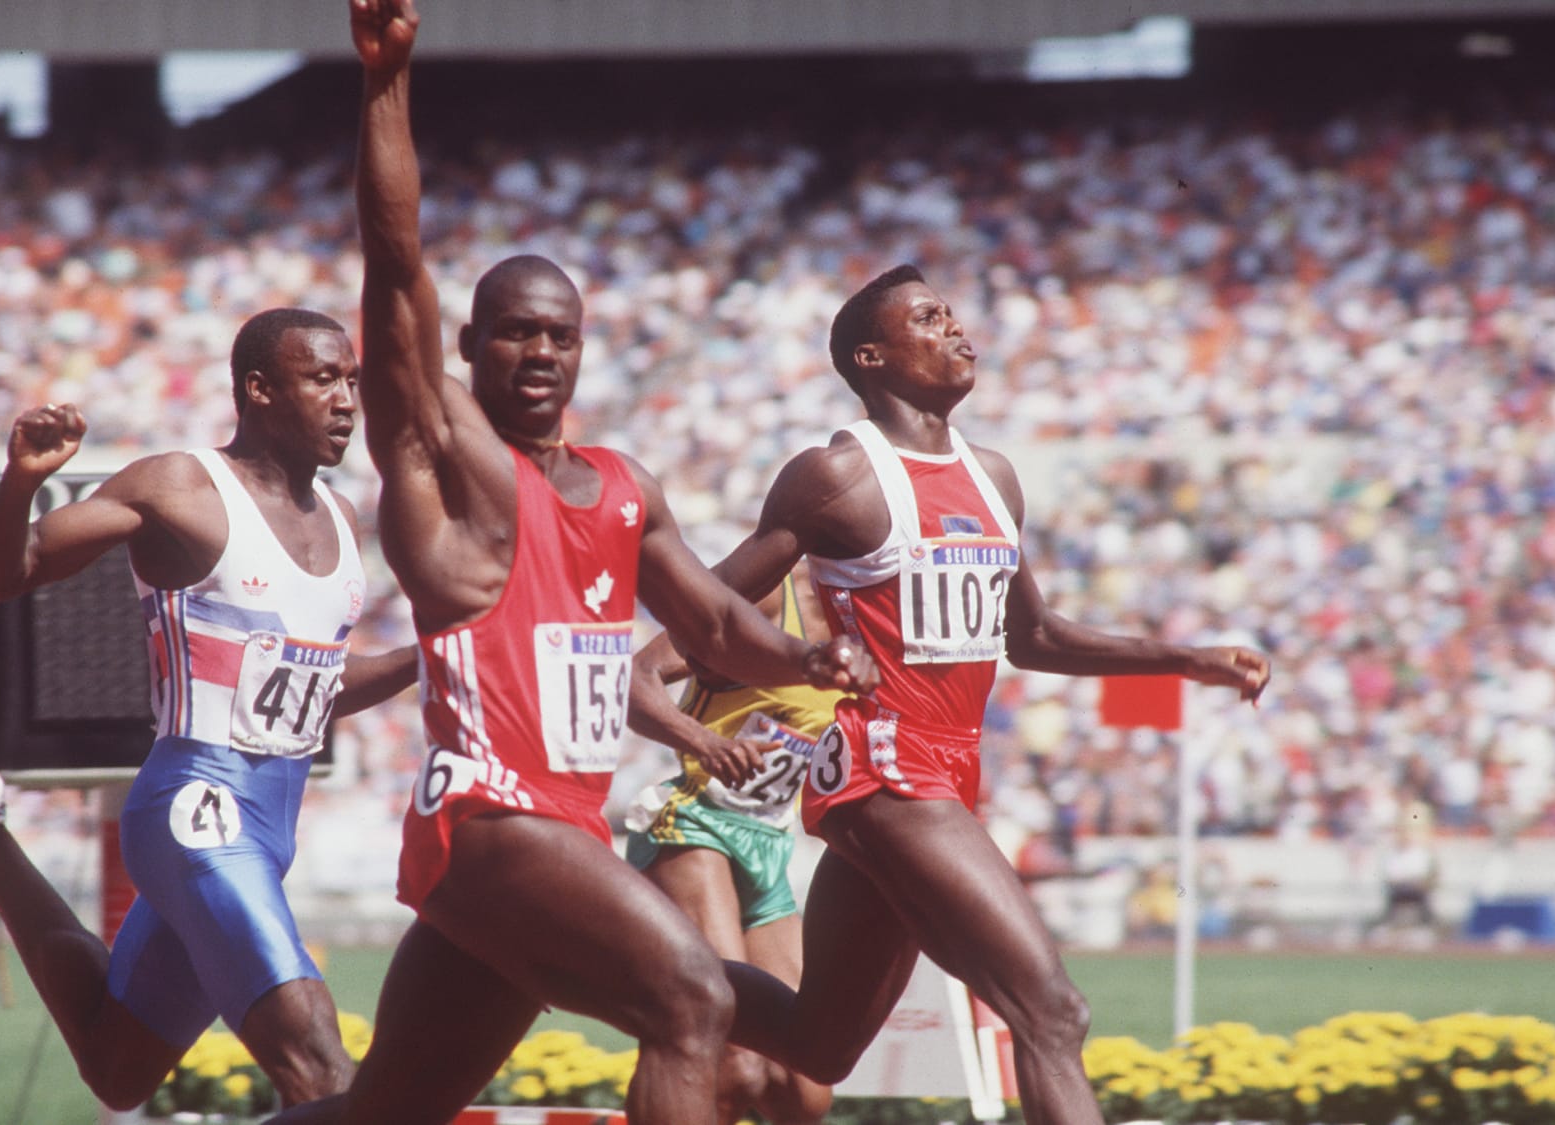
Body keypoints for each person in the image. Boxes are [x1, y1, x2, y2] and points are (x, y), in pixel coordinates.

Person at [267, 6, 874, 1124]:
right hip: (491, 827)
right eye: (511, 332)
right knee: (691, 1001)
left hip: (561, 834)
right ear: (467, 348)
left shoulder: (622, 483)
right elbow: (395, 260)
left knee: (383, 1109)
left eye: (558, 335)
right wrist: (385, 83)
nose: (538, 351)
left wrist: (807, 653)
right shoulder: (447, 467)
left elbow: (712, 628)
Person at [701, 265, 1271, 1125]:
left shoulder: (992, 477)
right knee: (1052, 1010)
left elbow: (1032, 636)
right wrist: (651, 667)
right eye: (928, 318)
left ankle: (640, 970)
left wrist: (1184, 657)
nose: (958, 329)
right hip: (884, 769)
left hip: (947, 776)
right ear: (872, 356)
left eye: (953, 313)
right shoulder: (839, 477)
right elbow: (707, 602)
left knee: (819, 1044)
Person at [0, 308, 417, 1113]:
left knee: (117, 1067)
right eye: (323, 378)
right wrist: (21, 485)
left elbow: (316, 685)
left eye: (351, 380)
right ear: (258, 389)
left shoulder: (344, 521)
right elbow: (2, 575)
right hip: (197, 808)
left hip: (272, 823)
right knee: (319, 1064)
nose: (347, 398)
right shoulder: (181, 486)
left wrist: (429, 656)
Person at [622, 566, 839, 1125]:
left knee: (805, 1089)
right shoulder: (770, 595)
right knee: (734, 1063)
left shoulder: (877, 626)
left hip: (769, 841)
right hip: (693, 826)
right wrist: (705, 741)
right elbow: (634, 678)